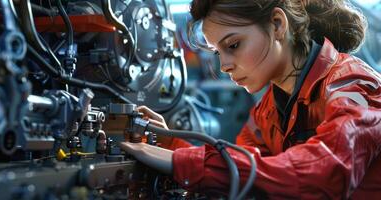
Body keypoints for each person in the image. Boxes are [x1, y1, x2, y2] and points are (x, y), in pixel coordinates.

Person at [121, 0, 381, 198]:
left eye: (233, 45)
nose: (224, 66)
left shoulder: (353, 85)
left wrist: (180, 162)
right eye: (217, 52)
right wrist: (170, 144)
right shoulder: (268, 108)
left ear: (277, 25)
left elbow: (325, 175)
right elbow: (245, 170)